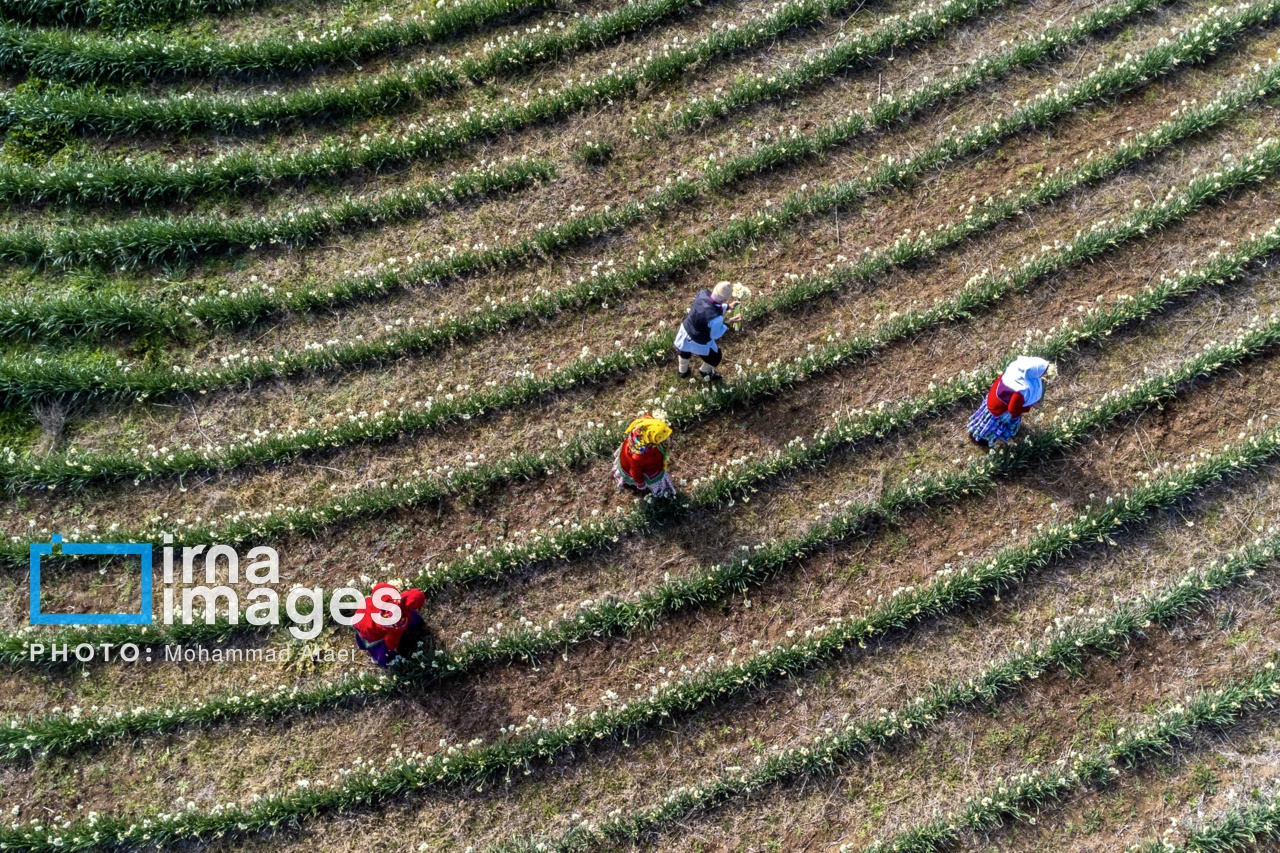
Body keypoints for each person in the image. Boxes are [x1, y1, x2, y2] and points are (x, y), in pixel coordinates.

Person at [968, 356, 1051, 446]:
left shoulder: (1016, 370)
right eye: (1042, 373)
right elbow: (1013, 409)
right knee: (990, 428)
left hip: (993, 399)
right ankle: (982, 439)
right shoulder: (1021, 390)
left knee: (984, 420)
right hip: (1000, 410)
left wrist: (1039, 380)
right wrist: (1029, 406)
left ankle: (977, 432)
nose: (1043, 375)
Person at [674, 281, 742, 379]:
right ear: (725, 299)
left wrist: (728, 306)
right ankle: (705, 371)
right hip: (699, 340)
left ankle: (682, 371)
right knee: (715, 357)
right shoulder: (716, 319)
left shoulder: (702, 294)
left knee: (684, 351)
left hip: (685, 330)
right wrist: (728, 323)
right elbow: (715, 335)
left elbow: (710, 305)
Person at [354, 582, 428, 667]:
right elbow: (391, 639)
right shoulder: (397, 622)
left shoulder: (390, 594)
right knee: (379, 639)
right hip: (370, 629)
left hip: (364, 612)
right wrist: (391, 647)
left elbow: (378, 588)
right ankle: (378, 657)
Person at [613, 414, 676, 497]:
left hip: (627, 451)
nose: (667, 439)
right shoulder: (639, 456)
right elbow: (635, 470)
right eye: (662, 439)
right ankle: (659, 491)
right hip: (647, 468)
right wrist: (640, 483)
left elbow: (647, 417)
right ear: (652, 440)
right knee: (654, 479)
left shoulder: (643, 427)